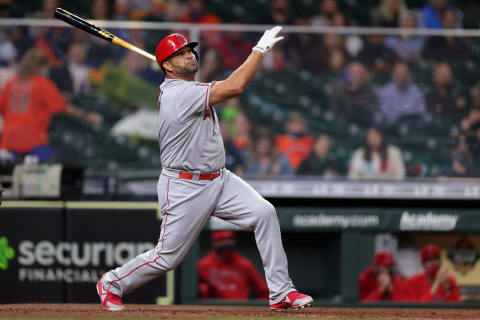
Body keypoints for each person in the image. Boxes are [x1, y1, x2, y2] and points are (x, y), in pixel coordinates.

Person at [96, 27, 313, 311]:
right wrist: (258, 50)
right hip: (186, 185)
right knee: (167, 257)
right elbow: (235, 86)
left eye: (189, 50)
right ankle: (112, 282)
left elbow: (219, 84)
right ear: (166, 65)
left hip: (219, 179)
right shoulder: (178, 94)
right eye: (180, 54)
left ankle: (281, 292)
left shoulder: (186, 88)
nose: (189, 55)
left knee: (264, 213)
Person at [0, 49, 102, 162]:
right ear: (40, 67)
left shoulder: (11, 83)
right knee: (46, 165)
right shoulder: (42, 84)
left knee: (12, 173)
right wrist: (87, 115)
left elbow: (3, 108)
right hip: (32, 139)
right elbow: (63, 108)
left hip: (9, 139)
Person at [197, 230, 269, 300]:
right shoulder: (203, 265)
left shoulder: (245, 265)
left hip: (241, 309)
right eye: (222, 240)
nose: (226, 243)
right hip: (213, 309)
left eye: (229, 239)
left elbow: (264, 291)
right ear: (214, 242)